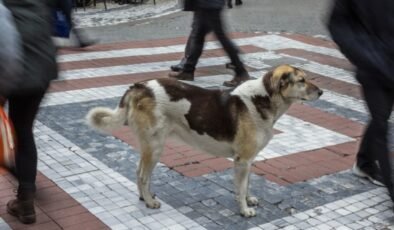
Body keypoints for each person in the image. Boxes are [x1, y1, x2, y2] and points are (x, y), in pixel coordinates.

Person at [328, 0, 394, 206]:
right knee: (381, 122)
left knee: (380, 118)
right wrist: (367, 55)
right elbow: (337, 23)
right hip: (373, 67)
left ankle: (364, 162)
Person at [3, 0, 58, 224]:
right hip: (40, 75)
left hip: (12, 74)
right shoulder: (38, 3)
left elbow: (5, 51)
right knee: (23, 132)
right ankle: (26, 200)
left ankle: (21, 180)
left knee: (14, 135)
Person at [169, 0, 250, 87]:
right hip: (206, 4)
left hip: (209, 4)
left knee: (219, 37)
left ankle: (240, 70)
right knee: (199, 36)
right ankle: (188, 71)